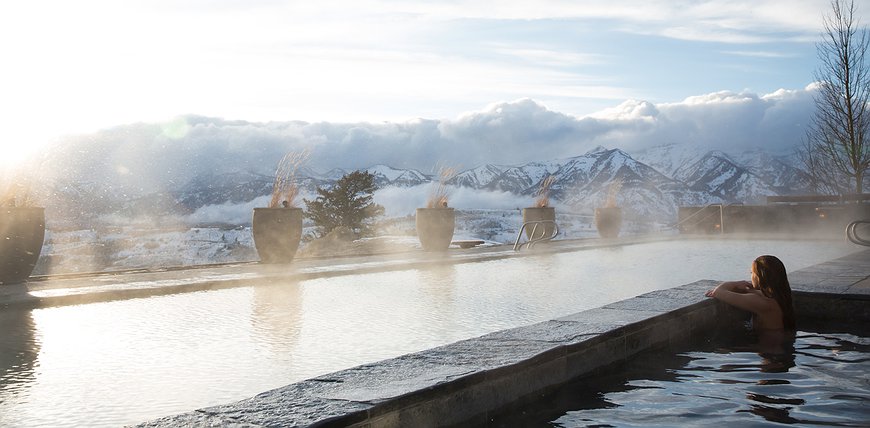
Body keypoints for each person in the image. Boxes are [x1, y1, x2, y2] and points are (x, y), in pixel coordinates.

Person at [705, 255, 796, 332]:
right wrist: (749, 290)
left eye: (752, 272)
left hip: (768, 351)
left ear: (759, 277)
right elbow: (759, 293)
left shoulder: (763, 303)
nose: (750, 275)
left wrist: (736, 283)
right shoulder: (780, 297)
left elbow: (719, 292)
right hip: (778, 347)